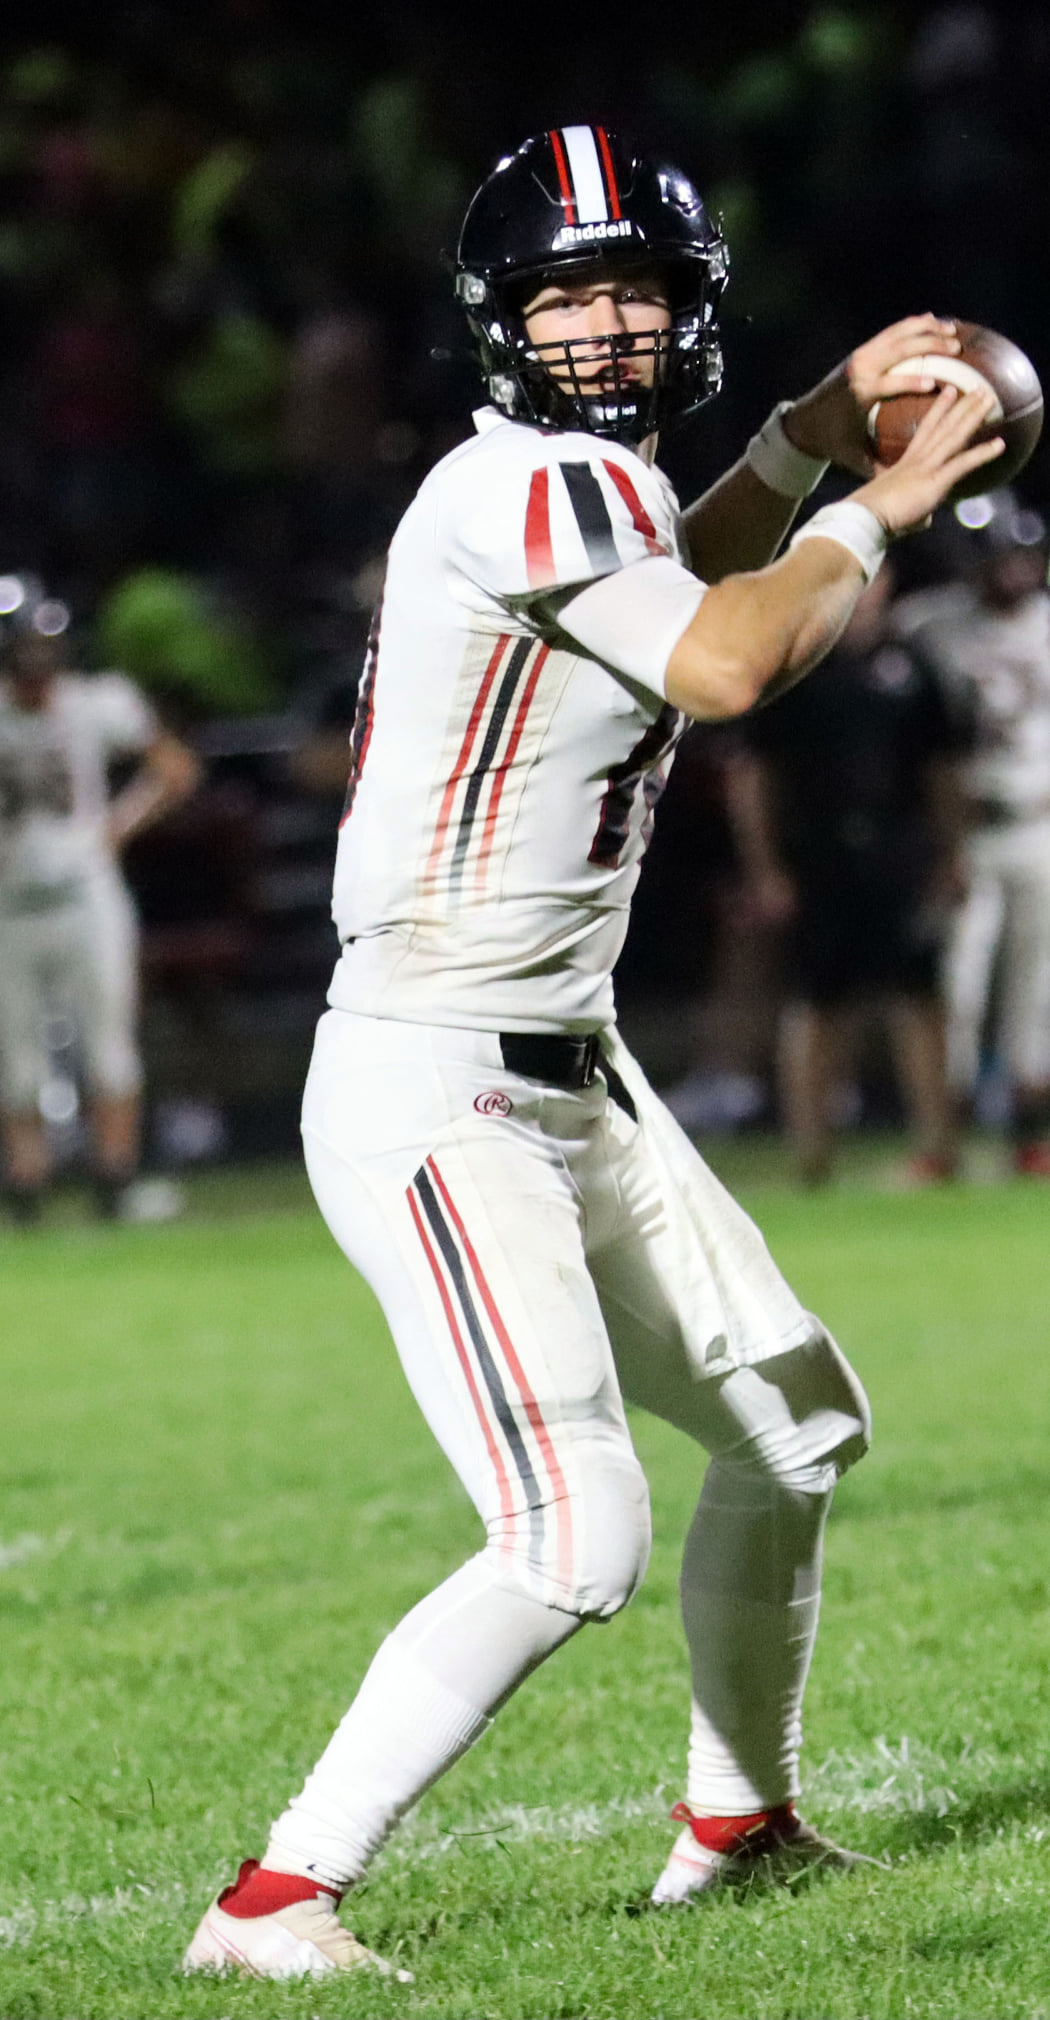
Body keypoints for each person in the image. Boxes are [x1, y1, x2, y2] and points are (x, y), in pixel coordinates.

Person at [183, 126, 1002, 1981]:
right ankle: (274, 1902)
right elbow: (721, 659)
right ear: (501, 318)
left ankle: (739, 1823)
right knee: (571, 1533)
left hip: (567, 1061)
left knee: (793, 1428)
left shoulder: (585, 495)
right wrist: (878, 506)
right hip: (439, 1070)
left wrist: (809, 427)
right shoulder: (532, 488)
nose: (611, 326)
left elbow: (677, 577)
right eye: (573, 294)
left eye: (638, 289)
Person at [727, 561, 968, 1184]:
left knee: (919, 996)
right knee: (820, 1001)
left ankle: (939, 1148)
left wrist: (951, 853)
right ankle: (812, 1155)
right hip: (820, 857)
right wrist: (767, 868)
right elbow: (753, 774)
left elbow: (942, 768)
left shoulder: (914, 666)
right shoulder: (797, 665)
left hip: (900, 851)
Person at [0, 576, 200, 1221]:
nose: (35, 663)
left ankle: (114, 1181)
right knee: (17, 1055)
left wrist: (118, 826)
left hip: (86, 896)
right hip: (11, 901)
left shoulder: (93, 703)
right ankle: (26, 1186)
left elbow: (174, 769)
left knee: (108, 1043)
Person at [894, 490, 1050, 1175]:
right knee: (955, 987)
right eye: (998, 558)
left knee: (1037, 992)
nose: (1011, 570)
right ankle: (942, 1139)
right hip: (962, 831)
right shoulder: (929, 626)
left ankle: (1031, 1137)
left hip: (1039, 825)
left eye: (1019, 556)